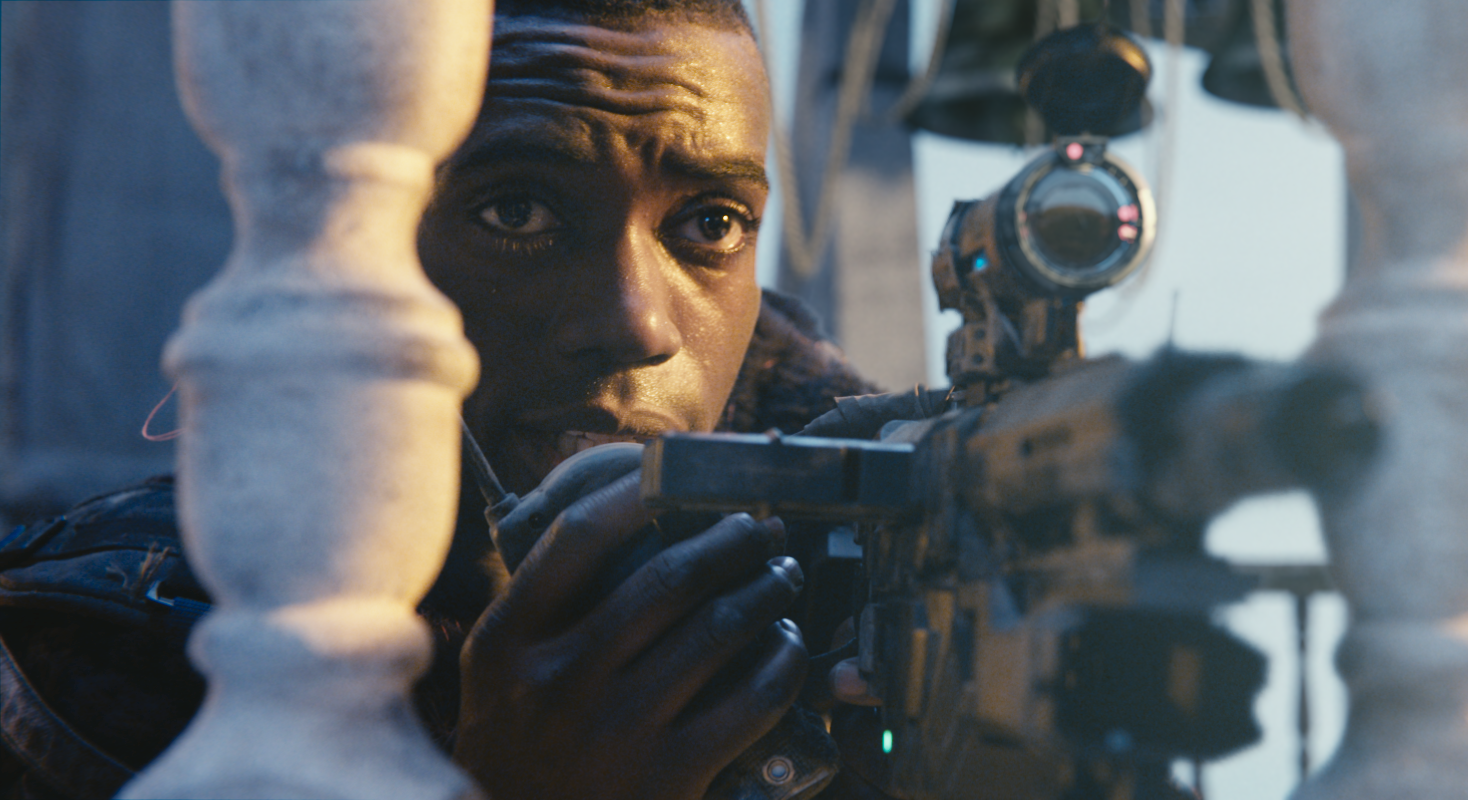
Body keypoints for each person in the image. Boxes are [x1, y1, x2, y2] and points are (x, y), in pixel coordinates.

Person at [0, 1, 886, 798]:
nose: (638, 324)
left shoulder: (870, 580)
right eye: (518, 214)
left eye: (711, 223)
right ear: (358, 256)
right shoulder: (104, 655)